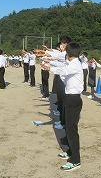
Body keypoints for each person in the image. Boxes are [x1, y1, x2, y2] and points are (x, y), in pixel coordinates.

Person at [42, 42, 83, 171]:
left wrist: (49, 68)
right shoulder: (70, 63)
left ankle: (76, 160)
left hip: (73, 99)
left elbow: (63, 69)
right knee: (66, 125)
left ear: (68, 53)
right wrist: (50, 62)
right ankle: (70, 151)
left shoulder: (75, 64)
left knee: (72, 130)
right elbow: (61, 65)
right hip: (68, 98)